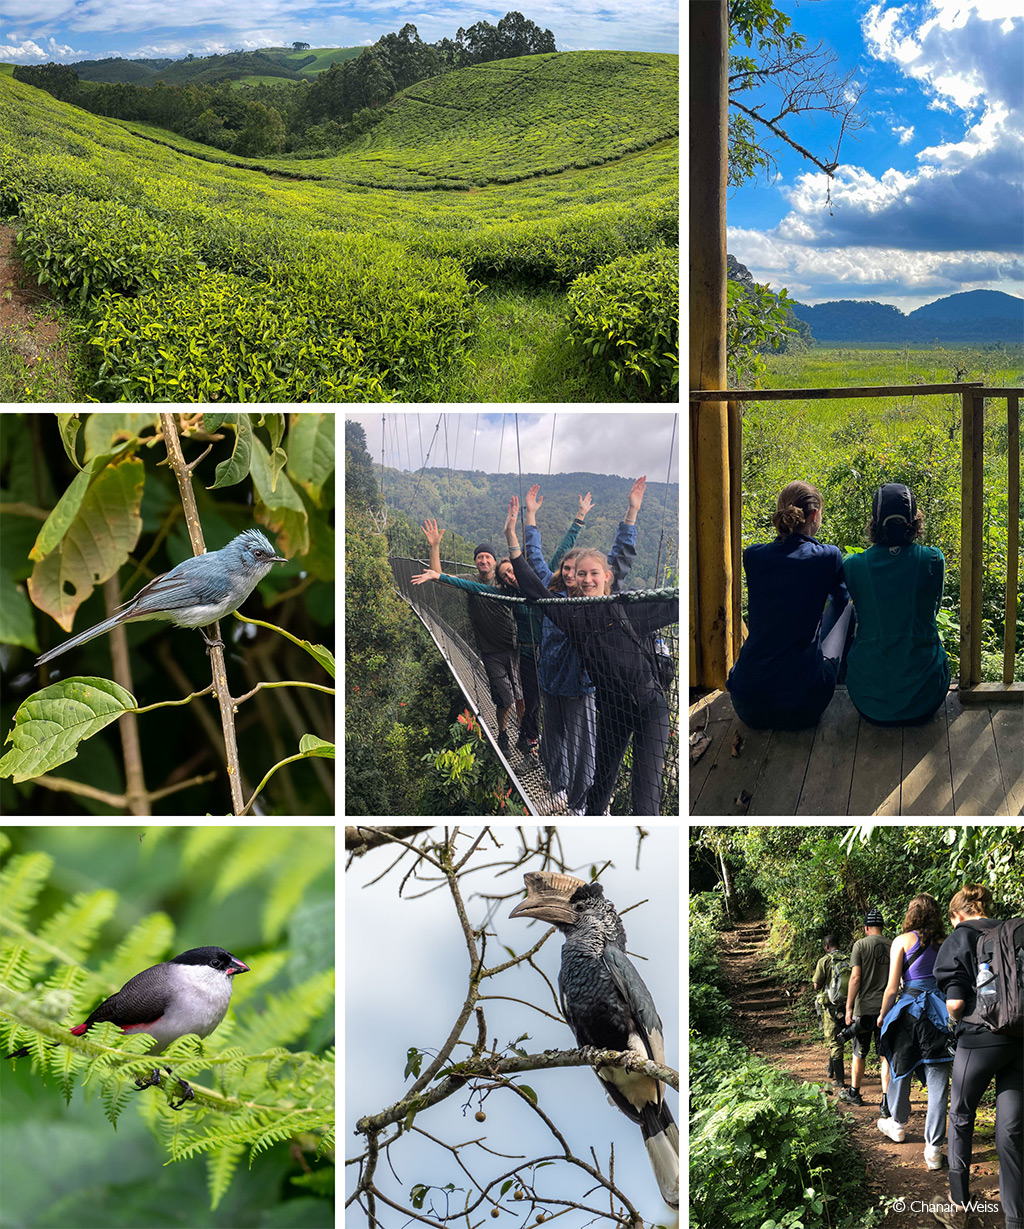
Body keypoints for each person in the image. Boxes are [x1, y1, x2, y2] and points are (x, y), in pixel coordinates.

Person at [504, 495, 677, 816]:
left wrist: (632, 511)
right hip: (610, 710)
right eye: (580, 574)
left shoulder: (628, 607)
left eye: (594, 573)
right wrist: (512, 540)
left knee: (645, 800)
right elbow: (534, 588)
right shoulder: (572, 617)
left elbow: (676, 604)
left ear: (607, 577)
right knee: (600, 788)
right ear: (572, 578)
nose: (586, 579)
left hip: (649, 707)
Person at [523, 478, 644, 814]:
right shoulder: (555, 599)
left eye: (585, 573)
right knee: (552, 746)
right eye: (572, 571)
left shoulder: (593, 605)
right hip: (550, 682)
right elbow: (534, 561)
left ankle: (580, 805)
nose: (579, 578)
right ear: (566, 574)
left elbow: (619, 561)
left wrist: (631, 513)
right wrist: (530, 518)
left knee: (582, 752)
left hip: (579, 687)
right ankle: (559, 790)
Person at [927, 884, 1023, 1229]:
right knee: (1010, 1131)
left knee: (961, 1115)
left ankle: (958, 1205)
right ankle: (1016, 1219)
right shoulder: (1010, 932)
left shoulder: (960, 937)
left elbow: (954, 1004)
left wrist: (957, 1021)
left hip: (980, 1041)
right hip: (1019, 1039)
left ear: (957, 915)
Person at [727, 481, 854, 730]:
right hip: (802, 705)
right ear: (814, 516)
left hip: (747, 703)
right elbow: (840, 603)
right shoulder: (827, 556)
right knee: (848, 608)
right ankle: (842, 686)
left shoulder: (753, 556)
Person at [843, 483, 950, 725]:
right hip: (926, 697)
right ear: (915, 522)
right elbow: (933, 610)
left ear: (875, 523)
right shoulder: (932, 559)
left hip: (869, 699)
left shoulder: (853, 566)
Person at [413, 525, 523, 755]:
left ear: (494, 562)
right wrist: (435, 547)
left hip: (515, 647)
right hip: (490, 652)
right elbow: (439, 578)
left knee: (522, 697)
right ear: (475, 562)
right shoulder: (470, 579)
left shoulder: (504, 580)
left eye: (488, 557)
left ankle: (525, 736)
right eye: (480, 557)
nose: (484, 560)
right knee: (505, 698)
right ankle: (503, 733)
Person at [875, 893, 952, 1171]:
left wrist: (883, 1015)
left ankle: (897, 1124)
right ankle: (933, 1150)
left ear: (911, 914)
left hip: (909, 1011)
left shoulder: (902, 941)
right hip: (939, 1012)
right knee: (938, 1079)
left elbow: (892, 987)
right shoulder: (945, 943)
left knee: (900, 1067)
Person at [844, 906, 891, 1108]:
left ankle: (855, 1093)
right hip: (887, 1009)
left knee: (859, 1051)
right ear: (881, 927)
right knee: (885, 1055)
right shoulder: (893, 944)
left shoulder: (860, 945)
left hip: (864, 1009)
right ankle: (886, 1101)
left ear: (866, 928)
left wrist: (848, 1008)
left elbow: (855, 977)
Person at [812, 934, 852, 1099]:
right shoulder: (849, 959)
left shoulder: (824, 961)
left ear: (827, 946)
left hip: (830, 1006)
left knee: (834, 1041)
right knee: (838, 1037)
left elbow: (816, 985)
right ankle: (831, 1069)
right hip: (847, 1005)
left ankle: (840, 1081)